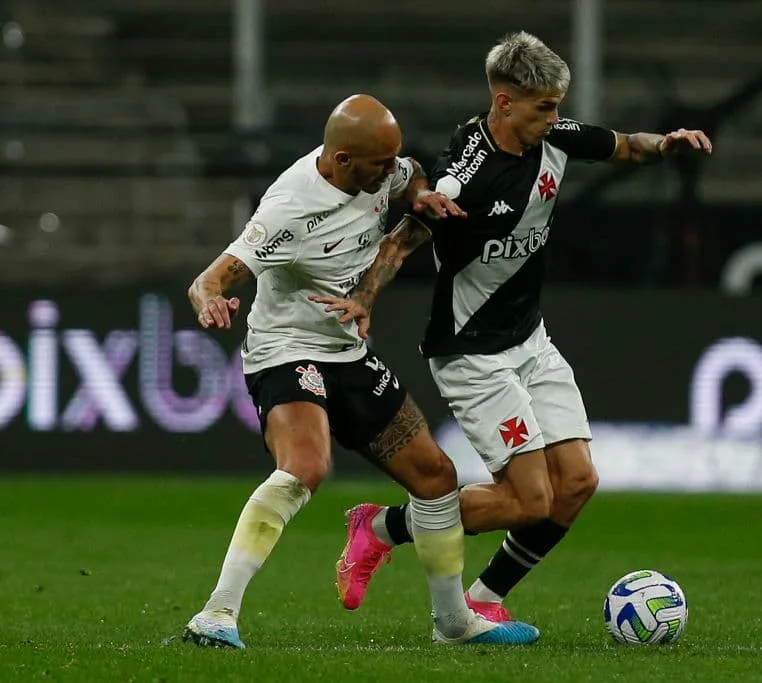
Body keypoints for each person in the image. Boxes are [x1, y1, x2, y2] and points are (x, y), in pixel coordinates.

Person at [315, 33, 713, 623]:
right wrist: (365, 296)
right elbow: (407, 235)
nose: (555, 119)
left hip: (531, 339)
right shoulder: (468, 173)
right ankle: (379, 526)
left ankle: (486, 600)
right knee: (529, 501)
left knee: (576, 483)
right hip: (471, 350)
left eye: (556, 106)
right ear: (504, 103)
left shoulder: (553, 134)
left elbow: (627, 147)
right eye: (543, 108)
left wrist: (668, 143)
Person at [181, 94, 540, 648]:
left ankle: (452, 622)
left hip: (347, 350)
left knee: (436, 478)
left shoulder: (381, 169)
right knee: (306, 467)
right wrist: (211, 301)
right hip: (288, 350)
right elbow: (211, 278)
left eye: (393, 159)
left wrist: (419, 191)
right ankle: (217, 614)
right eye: (380, 163)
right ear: (343, 159)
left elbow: (413, 172)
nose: (390, 171)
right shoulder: (289, 210)